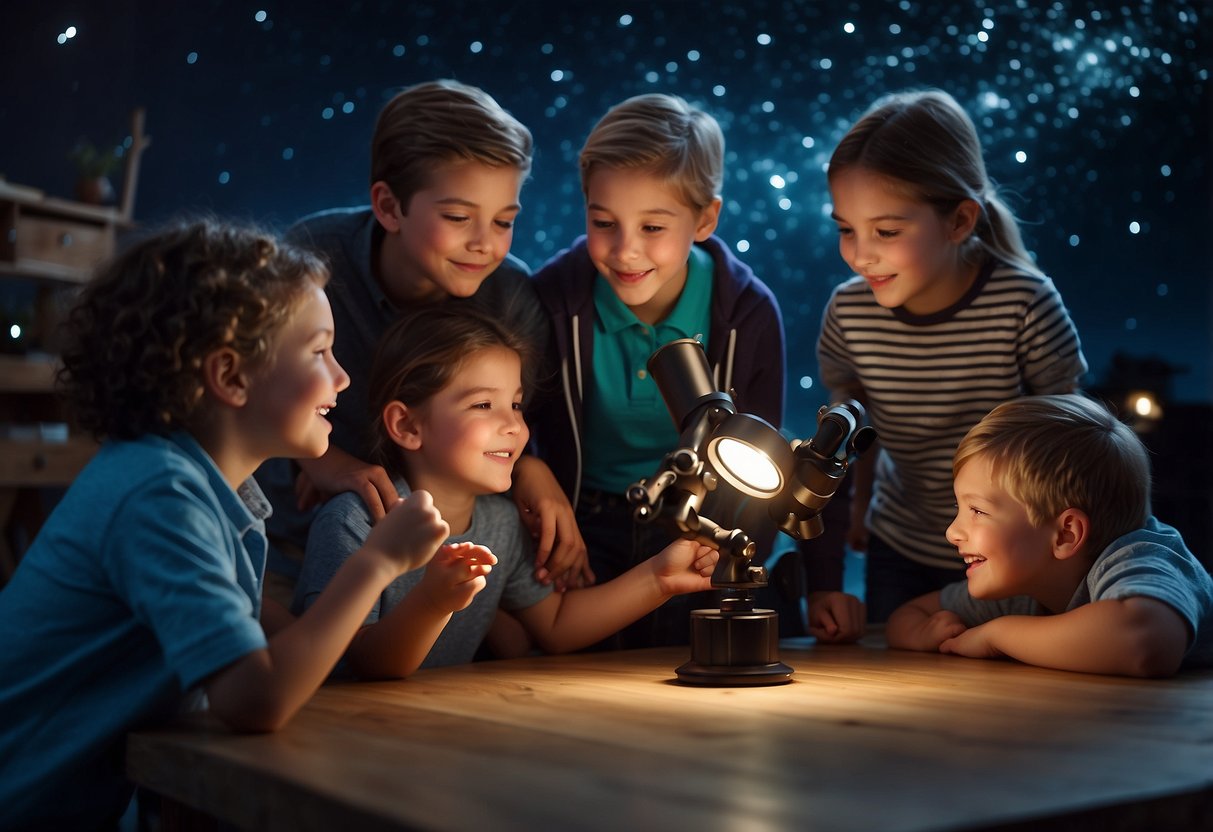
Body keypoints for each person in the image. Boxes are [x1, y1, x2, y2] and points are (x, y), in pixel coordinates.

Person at [0, 221, 455, 830]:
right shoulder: (159, 495)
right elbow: (254, 699)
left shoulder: (209, 490)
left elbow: (251, 643)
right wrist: (377, 562)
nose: (343, 377)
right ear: (232, 376)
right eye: (319, 351)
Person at [529, 93, 863, 648]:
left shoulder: (747, 312)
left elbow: (772, 459)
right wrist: (532, 476)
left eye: (654, 227)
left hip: (707, 521)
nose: (624, 250)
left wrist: (826, 583)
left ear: (705, 218)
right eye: (603, 222)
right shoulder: (550, 301)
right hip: (584, 524)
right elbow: (511, 420)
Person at [258, 78, 586, 607]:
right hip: (285, 549)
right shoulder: (311, 261)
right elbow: (246, 392)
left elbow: (508, 423)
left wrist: (531, 468)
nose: (484, 243)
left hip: (433, 569)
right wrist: (323, 463)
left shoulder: (510, 301)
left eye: (504, 221)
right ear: (389, 207)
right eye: (458, 218)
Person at [294, 304, 720, 677]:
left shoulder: (500, 522)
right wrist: (433, 600)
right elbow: (360, 665)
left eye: (515, 404)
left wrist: (659, 577)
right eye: (484, 405)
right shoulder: (354, 523)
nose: (514, 425)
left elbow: (554, 625)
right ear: (407, 426)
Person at [816, 88, 1089, 623]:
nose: (860, 254)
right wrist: (856, 511)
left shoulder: (1024, 303)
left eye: (886, 231)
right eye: (846, 229)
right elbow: (849, 427)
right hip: (901, 547)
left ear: (960, 221)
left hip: (1014, 555)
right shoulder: (848, 312)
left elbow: (1073, 441)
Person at [886, 394, 1213, 676]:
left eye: (978, 511)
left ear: (1065, 535)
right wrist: (924, 634)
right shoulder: (1027, 581)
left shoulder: (1140, 557)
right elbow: (909, 614)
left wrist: (998, 635)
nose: (952, 532)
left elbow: (1145, 643)